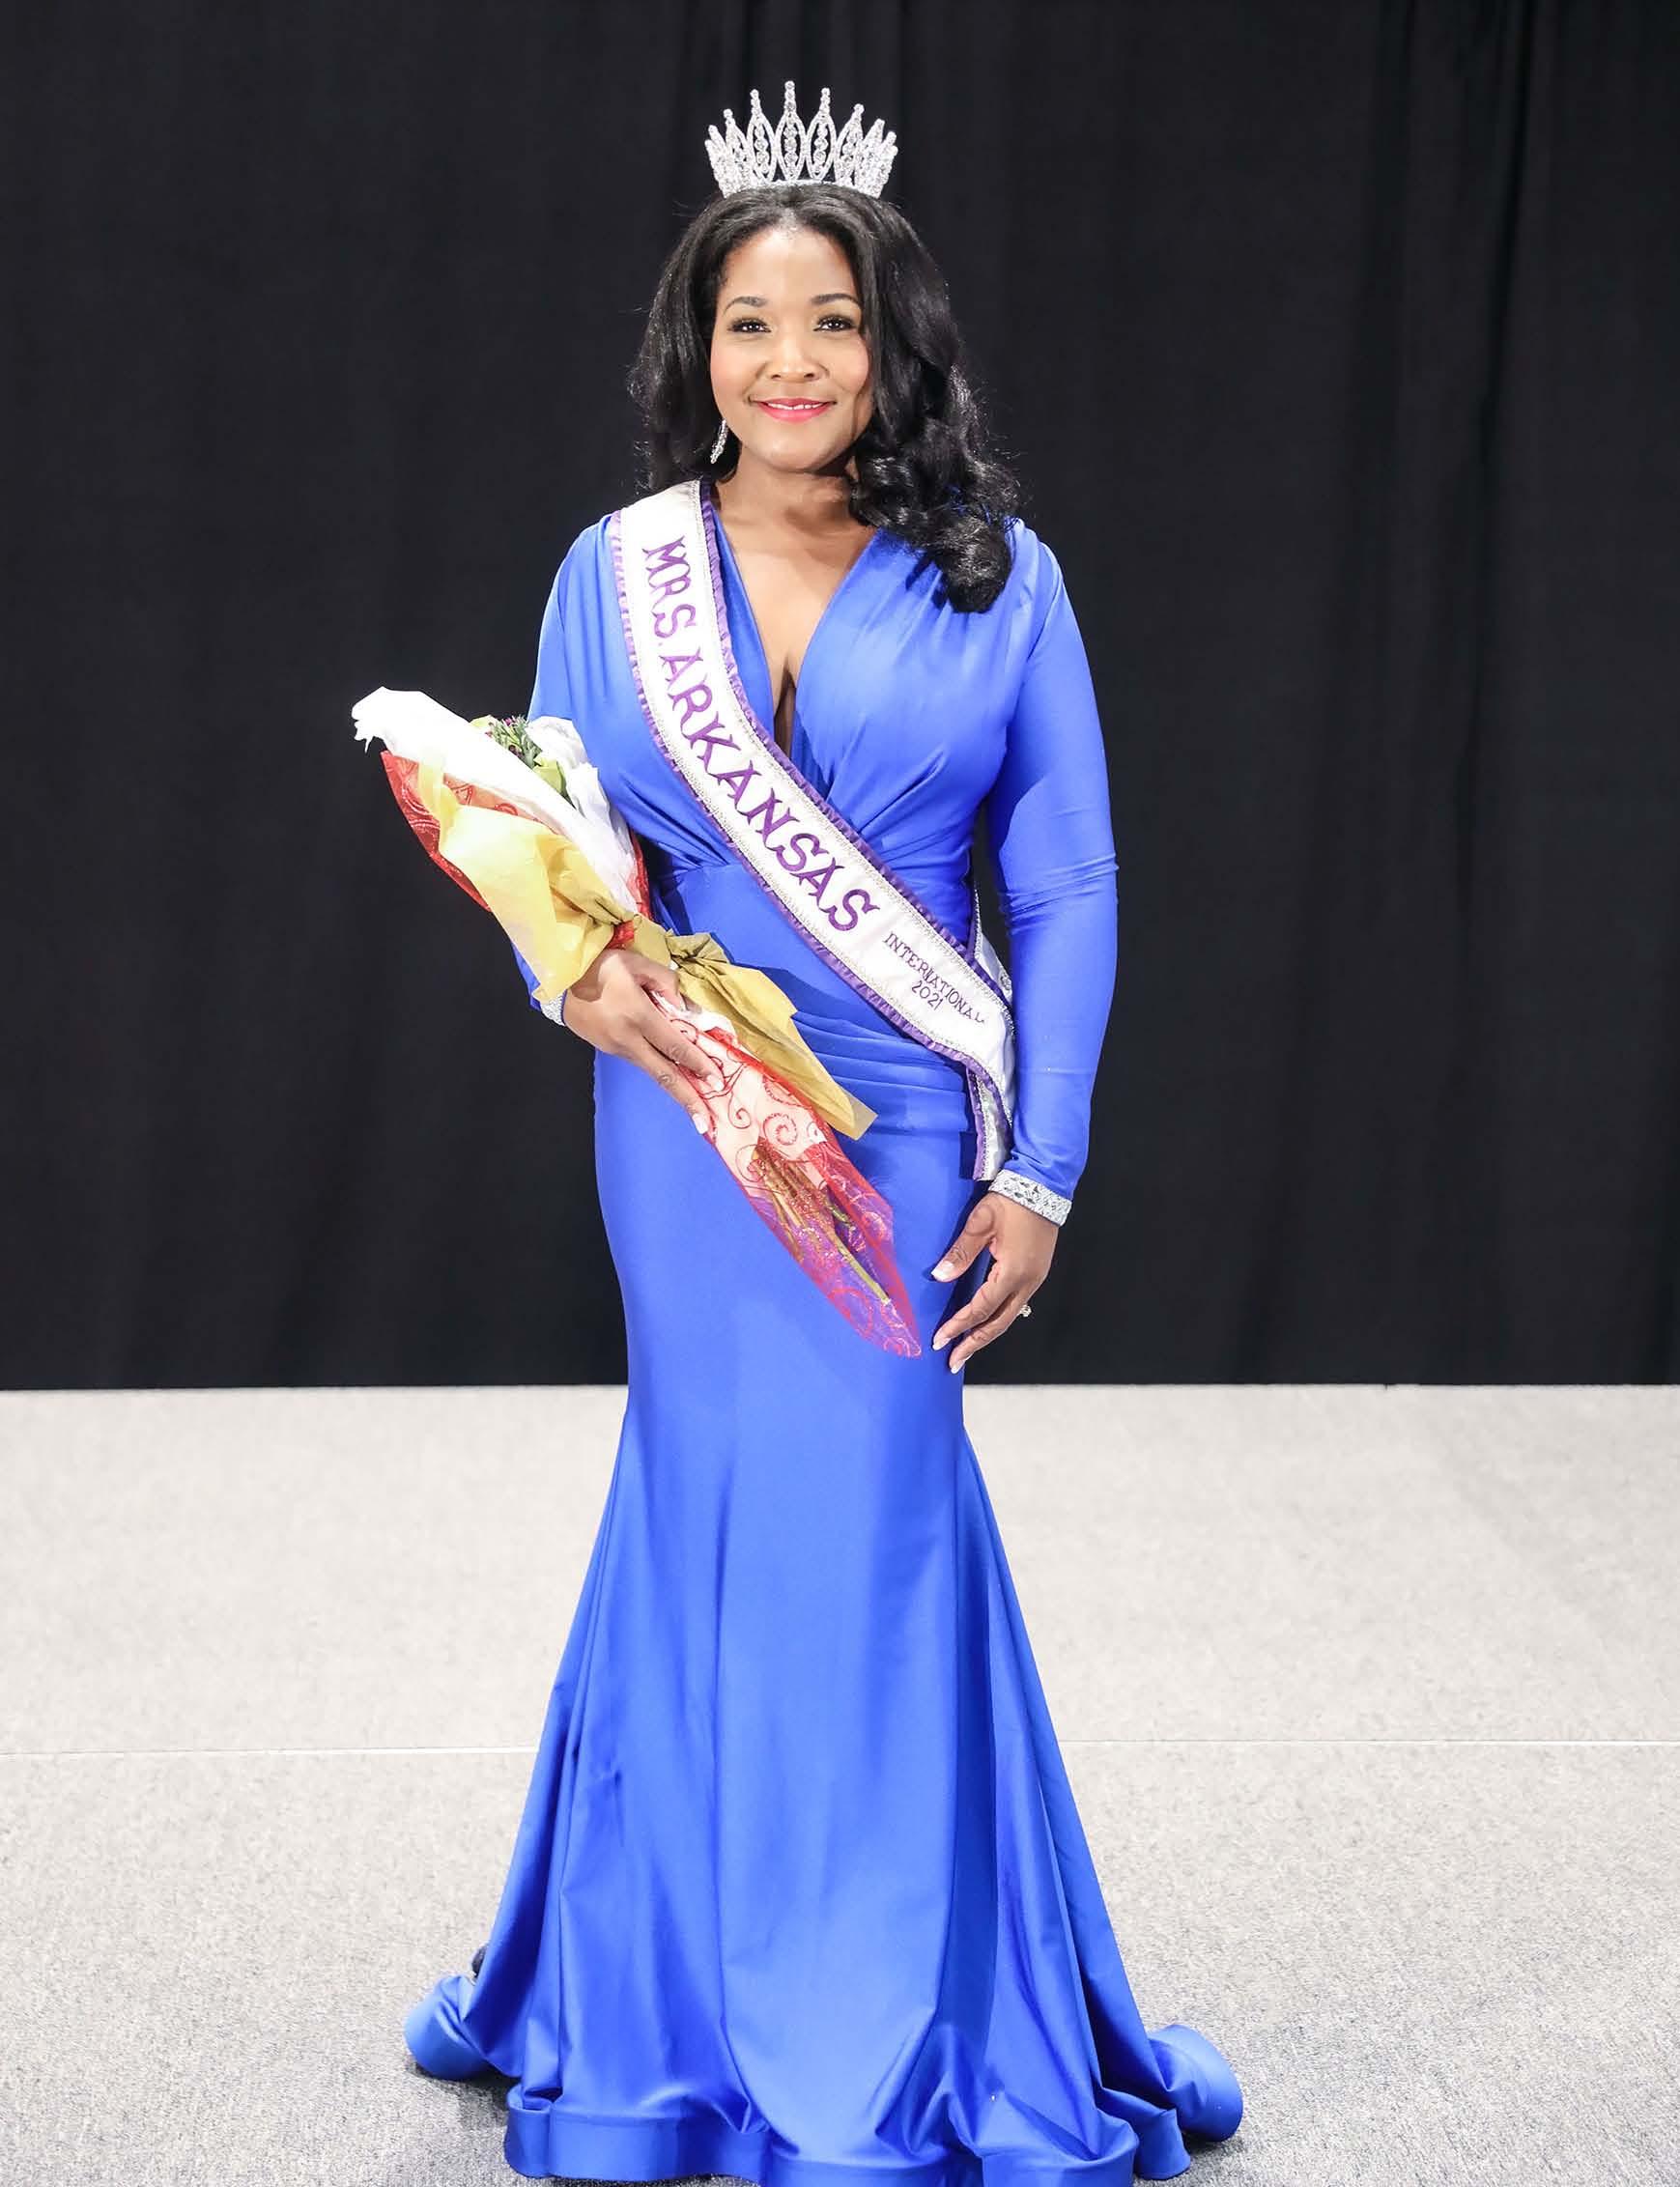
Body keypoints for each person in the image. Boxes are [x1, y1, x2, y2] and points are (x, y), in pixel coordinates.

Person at [404, 79, 1242, 2187]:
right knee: (697, 1495)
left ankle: (883, 2021)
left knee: (874, 1525)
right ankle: (663, 1993)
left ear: (896, 346)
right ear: (698, 345)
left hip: (907, 1116)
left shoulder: (999, 576)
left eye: (834, 323)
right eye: (751, 323)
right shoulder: (617, 574)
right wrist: (575, 981)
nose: (791, 362)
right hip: (686, 1111)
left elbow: (1065, 882)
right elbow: (555, 847)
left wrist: (1043, 1163)